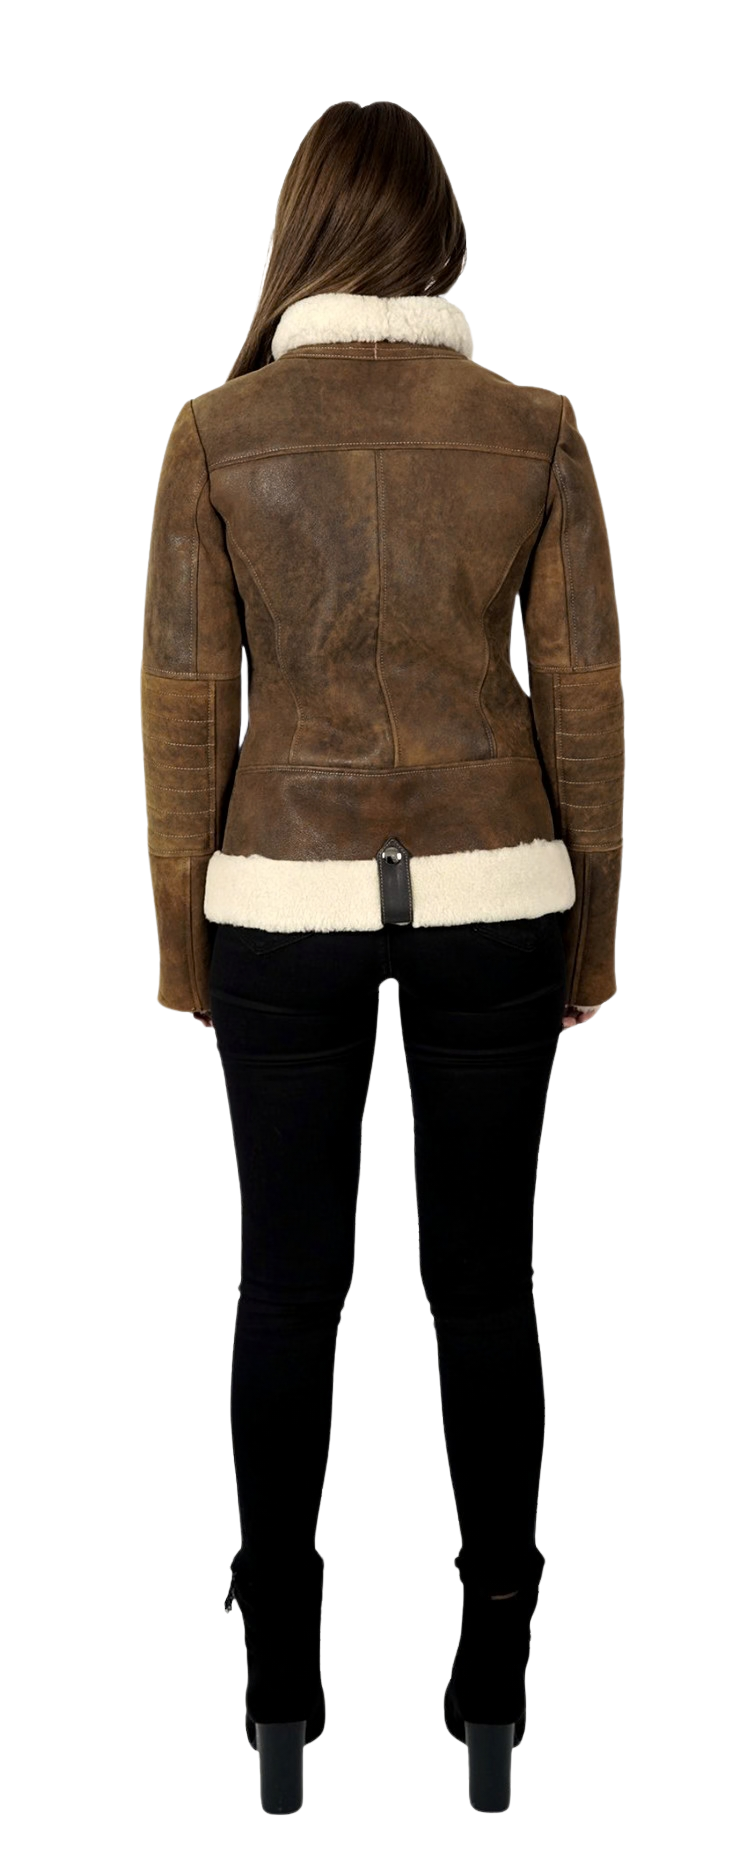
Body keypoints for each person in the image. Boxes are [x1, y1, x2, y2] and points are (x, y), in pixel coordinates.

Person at [139, 99, 625, 1813]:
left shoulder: (216, 433)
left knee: (286, 1289)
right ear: (441, 238)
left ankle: (278, 1701)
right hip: (500, 899)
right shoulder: (533, 427)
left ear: (298, 238)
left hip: (278, 906)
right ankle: (492, 1698)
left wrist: (185, 951)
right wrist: (594, 934)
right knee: (485, 1290)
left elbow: (183, 710)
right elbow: (585, 701)